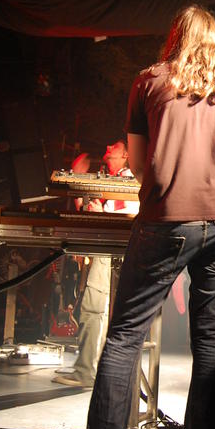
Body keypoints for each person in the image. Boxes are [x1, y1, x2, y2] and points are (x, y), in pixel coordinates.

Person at [61, 4, 215, 429]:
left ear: (175, 38)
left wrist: (167, 187)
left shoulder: (149, 81)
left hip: (166, 219)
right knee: (211, 348)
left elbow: (135, 161)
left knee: (124, 337)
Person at [53, 142, 138, 388]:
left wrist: (100, 209)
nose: (109, 145)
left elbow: (129, 214)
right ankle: (89, 368)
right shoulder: (116, 179)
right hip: (108, 251)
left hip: (113, 252)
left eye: (115, 145)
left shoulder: (127, 179)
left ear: (126, 155)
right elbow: (91, 214)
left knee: (93, 309)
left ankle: (85, 372)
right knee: (95, 309)